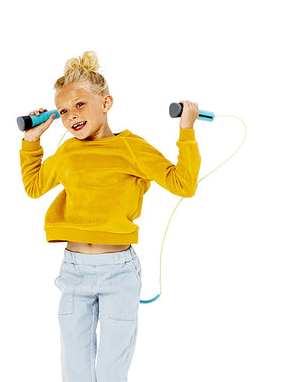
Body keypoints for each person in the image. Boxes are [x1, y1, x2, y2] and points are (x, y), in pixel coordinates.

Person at [19, 51, 201, 381]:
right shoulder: (68, 151)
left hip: (119, 272)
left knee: (111, 371)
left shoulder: (130, 148)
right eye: (63, 110)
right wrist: (32, 139)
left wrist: (186, 130)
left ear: (106, 103)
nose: (71, 115)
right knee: (75, 369)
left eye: (80, 104)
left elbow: (183, 184)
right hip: (74, 270)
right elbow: (34, 187)